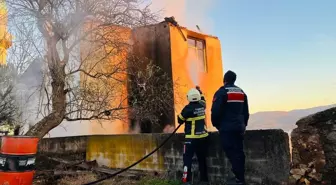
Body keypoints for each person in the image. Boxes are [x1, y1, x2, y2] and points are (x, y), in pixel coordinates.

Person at [211, 70, 249, 185]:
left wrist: (217, 125)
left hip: (227, 128)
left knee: (230, 151)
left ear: (224, 80)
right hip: (239, 127)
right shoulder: (242, 92)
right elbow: (246, 112)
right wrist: (244, 125)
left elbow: (215, 112)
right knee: (239, 151)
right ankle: (240, 178)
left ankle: (238, 177)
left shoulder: (221, 92)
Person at [177, 87, 209, 185]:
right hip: (203, 138)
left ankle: (186, 181)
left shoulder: (187, 109)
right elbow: (203, 100)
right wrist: (200, 92)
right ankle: (204, 181)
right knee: (202, 159)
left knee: (187, 160)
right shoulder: (202, 106)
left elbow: (180, 120)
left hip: (191, 139)